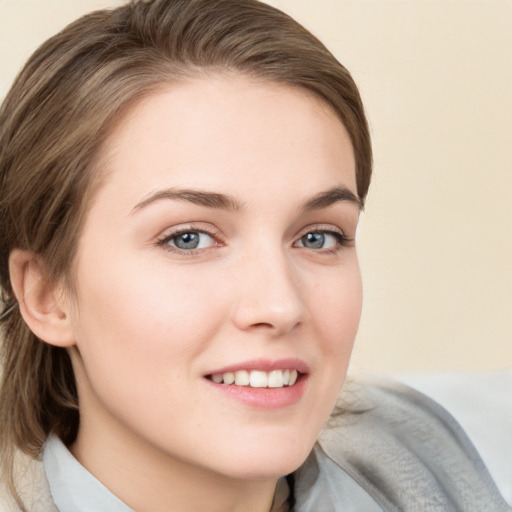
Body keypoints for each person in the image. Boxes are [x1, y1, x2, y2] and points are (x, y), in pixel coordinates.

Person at [0, 1, 508, 511]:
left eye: (317, 237)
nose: (280, 305)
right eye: (189, 238)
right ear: (46, 294)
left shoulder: (426, 458)